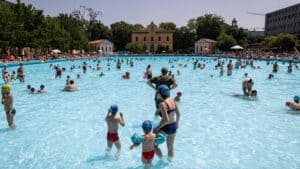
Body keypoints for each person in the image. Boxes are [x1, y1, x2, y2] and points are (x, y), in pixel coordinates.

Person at [154, 85, 180, 160]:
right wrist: (177, 124)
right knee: (170, 148)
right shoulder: (172, 100)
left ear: (159, 94)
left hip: (166, 127)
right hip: (173, 126)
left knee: (153, 144)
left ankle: (162, 159)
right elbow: (178, 114)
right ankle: (170, 163)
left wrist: (157, 128)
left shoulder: (162, 104)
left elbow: (166, 120)